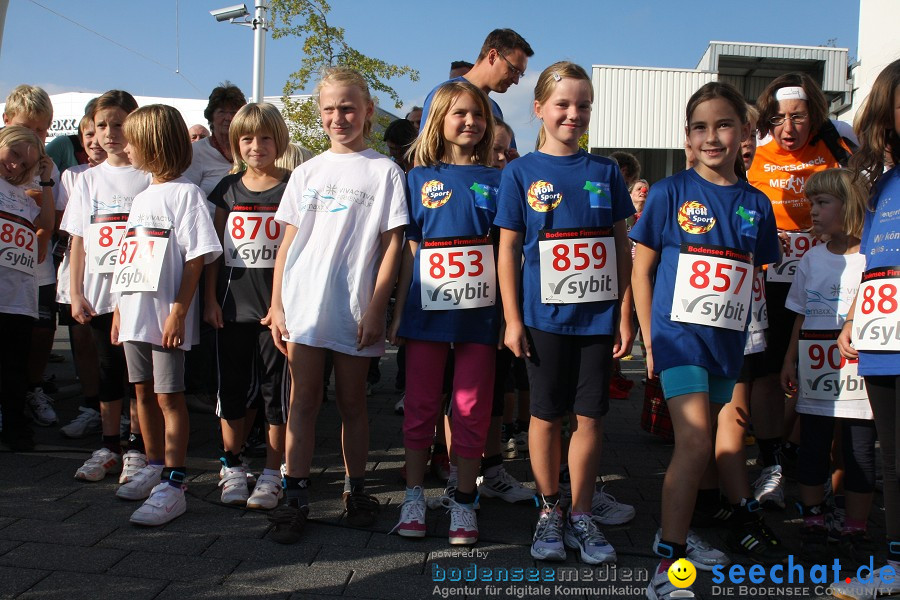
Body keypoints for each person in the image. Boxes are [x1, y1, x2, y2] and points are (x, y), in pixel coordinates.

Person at [631, 81, 780, 599]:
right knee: (694, 442)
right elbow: (642, 270)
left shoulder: (757, 204)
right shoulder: (670, 192)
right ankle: (667, 561)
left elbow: (750, 274)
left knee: (708, 442)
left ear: (744, 133)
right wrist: (650, 339)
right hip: (679, 339)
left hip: (727, 346)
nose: (711, 136)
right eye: (700, 127)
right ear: (687, 136)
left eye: (723, 124)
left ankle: (676, 534)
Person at [496, 61, 634, 565]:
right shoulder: (520, 172)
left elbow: (621, 245)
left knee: (591, 417)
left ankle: (581, 512)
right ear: (539, 109)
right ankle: (548, 509)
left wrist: (624, 313)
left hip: (596, 320)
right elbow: (508, 250)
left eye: (582, 105)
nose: (573, 113)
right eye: (562, 104)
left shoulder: (605, 172)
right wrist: (512, 318)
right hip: (542, 320)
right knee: (545, 416)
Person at [265, 67, 407, 544]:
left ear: (367, 111)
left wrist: (376, 307)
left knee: (352, 403)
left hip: (353, 308)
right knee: (301, 402)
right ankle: (295, 495)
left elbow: (393, 245)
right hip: (304, 306)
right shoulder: (306, 171)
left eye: (348, 107)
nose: (338, 117)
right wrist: (277, 306)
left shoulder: (384, 170)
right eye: (329, 108)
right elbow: (287, 244)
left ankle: (356, 488)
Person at [388, 80, 505, 544]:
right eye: (459, 113)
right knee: (420, 402)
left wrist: (508, 316)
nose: (470, 122)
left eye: (477, 114)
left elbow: (507, 248)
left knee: (471, 407)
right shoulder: (416, 177)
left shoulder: (501, 179)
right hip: (427, 312)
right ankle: (414, 494)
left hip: (481, 313)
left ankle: (464, 499)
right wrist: (400, 309)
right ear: (439, 120)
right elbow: (408, 247)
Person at [746, 73, 858, 508]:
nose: (788, 129)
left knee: (823, 366)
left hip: (824, 272)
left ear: (815, 114)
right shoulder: (755, 145)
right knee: (769, 372)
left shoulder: (835, 144)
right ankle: (772, 461)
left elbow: (861, 183)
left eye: (798, 117)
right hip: (770, 276)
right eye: (778, 118)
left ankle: (812, 458)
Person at [112, 104, 222, 525]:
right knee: (141, 394)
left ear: (153, 145)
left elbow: (197, 258)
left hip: (163, 318)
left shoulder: (185, 194)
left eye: (132, 139)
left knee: (168, 397)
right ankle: (155, 465)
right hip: (135, 313)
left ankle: (175, 483)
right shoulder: (142, 197)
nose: (125, 145)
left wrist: (179, 311)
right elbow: (132, 258)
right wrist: (121, 308)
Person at [779, 169, 874, 562]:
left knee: (859, 451)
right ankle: (814, 520)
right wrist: (788, 359)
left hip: (860, 373)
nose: (812, 211)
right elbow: (799, 314)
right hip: (816, 375)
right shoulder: (811, 258)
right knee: (813, 447)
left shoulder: (871, 256)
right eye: (811, 203)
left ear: (848, 205)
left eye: (822, 203)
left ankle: (855, 527)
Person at [204, 103, 291, 509]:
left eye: (265, 137)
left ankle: (274, 471)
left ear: (279, 140)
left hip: (276, 313)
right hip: (230, 309)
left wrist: (284, 305)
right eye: (247, 139)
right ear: (236, 143)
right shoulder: (227, 189)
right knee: (232, 390)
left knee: (276, 393)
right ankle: (233, 465)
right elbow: (214, 253)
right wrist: (209, 300)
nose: (256, 146)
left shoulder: (293, 185)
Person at [834, 58, 900, 600]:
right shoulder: (879, 184)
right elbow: (873, 259)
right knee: (892, 458)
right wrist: (855, 316)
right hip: (882, 330)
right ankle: (896, 565)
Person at [62, 90, 151, 484]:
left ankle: (139, 445)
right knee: (106, 368)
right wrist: (76, 290)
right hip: (99, 293)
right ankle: (109, 444)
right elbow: (78, 239)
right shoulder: (86, 180)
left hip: (138, 293)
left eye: (118, 124)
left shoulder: (149, 174)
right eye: (102, 125)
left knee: (139, 373)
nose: (110, 133)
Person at [3, 85, 64, 429]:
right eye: (30, 128)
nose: (39, 136)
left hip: (36, 269)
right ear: (8, 120)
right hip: (5, 270)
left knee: (41, 331)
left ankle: (32, 388)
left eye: (44, 129)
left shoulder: (48, 167)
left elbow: (50, 219)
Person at [0, 126, 56, 451]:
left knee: (15, 369)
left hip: (19, 300)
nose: (16, 166)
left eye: (26, 164)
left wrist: (45, 181)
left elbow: (45, 229)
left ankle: (15, 426)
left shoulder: (26, 195)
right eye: (13, 155)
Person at [56, 114, 108, 439]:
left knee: (115, 346)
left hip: (112, 277)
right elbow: (66, 230)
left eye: (98, 132)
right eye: (87, 134)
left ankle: (121, 410)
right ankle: (91, 406)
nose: (93, 140)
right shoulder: (71, 177)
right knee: (83, 340)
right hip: (76, 273)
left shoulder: (133, 175)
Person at [419, 28, 533, 151]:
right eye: (513, 70)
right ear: (493, 56)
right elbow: (423, 156)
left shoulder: (495, 108)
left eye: (520, 74)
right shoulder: (443, 95)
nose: (516, 81)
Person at [184, 82, 247, 200]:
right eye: (222, 112)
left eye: (233, 112)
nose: (228, 118)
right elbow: (186, 194)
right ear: (211, 116)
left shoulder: (249, 150)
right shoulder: (196, 152)